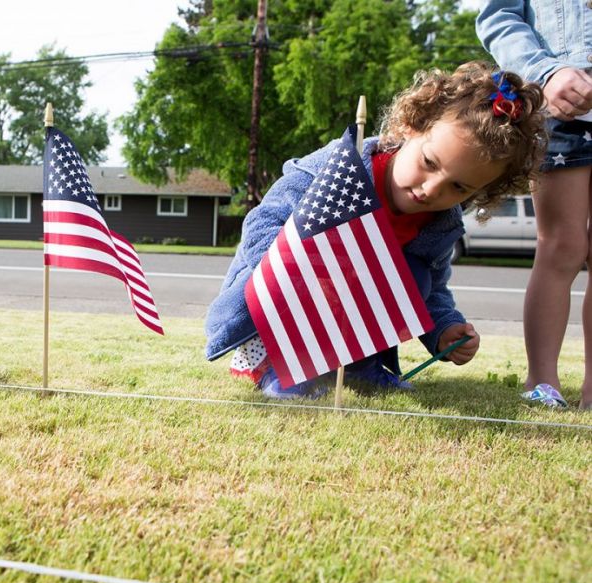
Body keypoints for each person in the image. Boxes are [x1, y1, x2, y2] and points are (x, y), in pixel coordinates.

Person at [204, 61, 546, 399]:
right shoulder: (338, 167)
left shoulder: (440, 224)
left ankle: (356, 364)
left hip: (348, 304)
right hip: (279, 289)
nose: (431, 190)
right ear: (412, 126)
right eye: (429, 163)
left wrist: (444, 329)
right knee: (331, 272)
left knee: (417, 276)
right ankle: (267, 360)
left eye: (458, 188)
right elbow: (264, 220)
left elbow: (433, 291)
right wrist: (298, 276)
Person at [477, 1, 592, 410]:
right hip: (559, 103)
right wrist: (546, 71)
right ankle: (542, 380)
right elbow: (497, 15)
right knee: (562, 245)